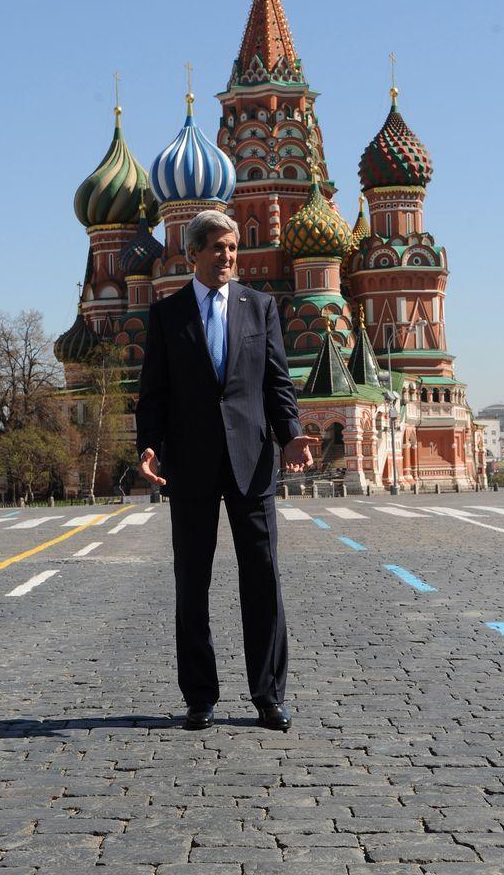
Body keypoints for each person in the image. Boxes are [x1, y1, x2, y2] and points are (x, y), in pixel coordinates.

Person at [136, 211, 317, 731]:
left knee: (262, 579)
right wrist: (149, 447)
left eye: (233, 247)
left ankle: (269, 696)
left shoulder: (260, 308)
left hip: (251, 461)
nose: (228, 256)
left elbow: (277, 384)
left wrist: (292, 433)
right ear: (193, 253)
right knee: (192, 583)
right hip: (189, 465)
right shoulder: (166, 315)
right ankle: (200, 697)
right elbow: (154, 395)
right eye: (217, 247)